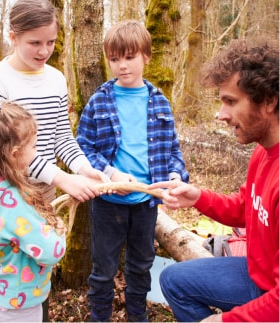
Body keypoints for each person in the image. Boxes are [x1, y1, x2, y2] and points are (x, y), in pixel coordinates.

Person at [149, 38, 279, 322]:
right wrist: (196, 197)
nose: (220, 115)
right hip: (257, 274)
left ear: (269, 100)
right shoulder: (262, 151)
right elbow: (245, 209)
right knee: (173, 280)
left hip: (274, 294)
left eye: (231, 101)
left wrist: (222, 321)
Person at [76, 20, 189, 322]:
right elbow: (83, 147)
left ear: (146, 56)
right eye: (114, 59)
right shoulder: (100, 100)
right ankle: (99, 317)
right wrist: (111, 174)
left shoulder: (159, 103)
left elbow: (172, 150)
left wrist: (177, 175)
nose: (122, 66)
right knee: (103, 269)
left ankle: (137, 316)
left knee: (141, 265)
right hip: (107, 203)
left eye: (129, 57)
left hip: (146, 203)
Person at [0, 0, 108, 205]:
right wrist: (62, 178)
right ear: (13, 38)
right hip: (5, 191)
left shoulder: (56, 79)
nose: (44, 51)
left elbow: (62, 136)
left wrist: (84, 168)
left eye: (51, 42)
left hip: (45, 189)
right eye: (35, 43)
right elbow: (2, 148)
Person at [0, 101, 67, 322]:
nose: (36, 152)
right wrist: (59, 231)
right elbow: (51, 252)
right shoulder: (11, 203)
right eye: (34, 147)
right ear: (16, 153)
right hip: (20, 304)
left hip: (0, 292)